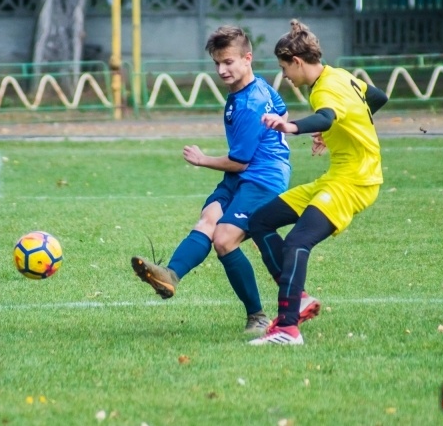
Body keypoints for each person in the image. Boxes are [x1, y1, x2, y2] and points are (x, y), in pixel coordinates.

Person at [132, 25, 315, 334]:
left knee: (224, 239)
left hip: (262, 179)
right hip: (242, 175)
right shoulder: (255, 89)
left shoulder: (250, 103)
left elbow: (240, 161)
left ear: (247, 58)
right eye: (217, 63)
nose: (222, 69)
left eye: (228, 62)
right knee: (207, 221)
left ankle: (257, 316)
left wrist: (203, 160)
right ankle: (169, 276)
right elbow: (281, 112)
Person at [247, 19, 388, 345]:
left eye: (285, 68)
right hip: (335, 178)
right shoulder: (339, 75)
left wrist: (290, 126)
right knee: (261, 222)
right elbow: (378, 97)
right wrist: (337, 130)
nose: (285, 76)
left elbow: (325, 115)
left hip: (355, 182)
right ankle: (301, 299)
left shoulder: (324, 88)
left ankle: (287, 327)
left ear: (297, 61)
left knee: (297, 242)